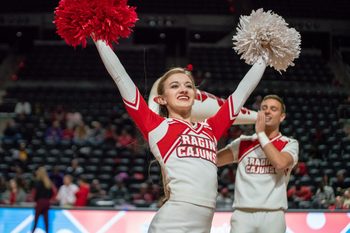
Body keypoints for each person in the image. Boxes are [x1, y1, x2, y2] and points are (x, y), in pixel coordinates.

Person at [94, 39, 266, 233]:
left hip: (204, 223)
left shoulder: (210, 128)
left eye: (189, 86)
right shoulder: (157, 126)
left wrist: (266, 54)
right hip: (172, 222)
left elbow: (242, 92)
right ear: (161, 99)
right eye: (175, 86)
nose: (184, 89)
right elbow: (121, 78)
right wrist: (99, 38)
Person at [217, 95, 299, 233]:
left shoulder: (289, 143)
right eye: (264, 108)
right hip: (242, 214)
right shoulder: (244, 142)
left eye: (273, 109)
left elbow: (280, 163)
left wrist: (261, 134)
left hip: (273, 215)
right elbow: (214, 160)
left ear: (282, 117)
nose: (267, 112)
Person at [31, 166, 55, 233]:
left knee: (36, 220)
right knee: (46, 220)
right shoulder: (49, 182)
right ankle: (47, 232)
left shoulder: (37, 182)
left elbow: (36, 194)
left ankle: (32, 231)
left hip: (40, 202)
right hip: (47, 202)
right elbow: (52, 193)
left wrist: (36, 200)